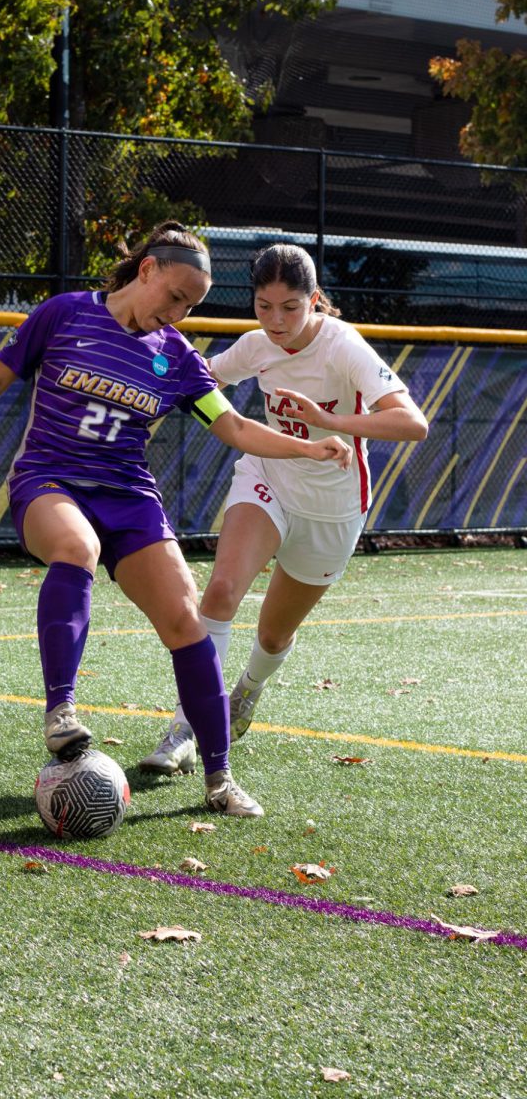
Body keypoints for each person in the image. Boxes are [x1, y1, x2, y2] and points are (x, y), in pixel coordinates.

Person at [0, 223, 352, 818]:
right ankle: (61, 712)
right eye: (174, 296)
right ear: (146, 269)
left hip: (127, 494)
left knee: (185, 615)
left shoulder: (175, 355)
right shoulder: (64, 314)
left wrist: (306, 447)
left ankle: (219, 777)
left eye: (191, 306)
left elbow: (232, 428)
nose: (178, 312)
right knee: (76, 549)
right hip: (50, 480)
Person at [139, 241, 429, 777]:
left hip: (333, 508)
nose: (275, 320)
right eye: (263, 306)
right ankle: (187, 725)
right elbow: (196, 380)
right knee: (221, 592)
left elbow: (413, 423)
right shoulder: (255, 345)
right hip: (267, 476)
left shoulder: (344, 348)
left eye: (290, 307)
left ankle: (247, 691)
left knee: (273, 635)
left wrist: (332, 420)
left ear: (315, 300)